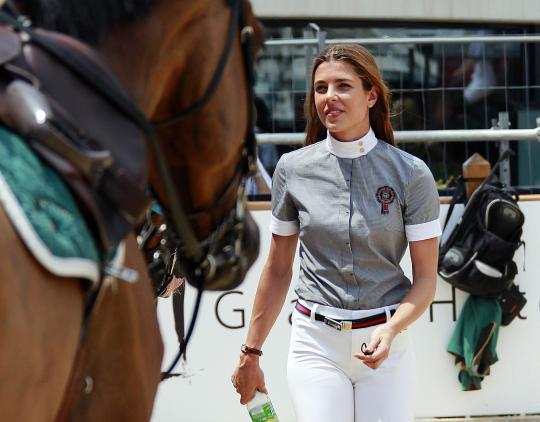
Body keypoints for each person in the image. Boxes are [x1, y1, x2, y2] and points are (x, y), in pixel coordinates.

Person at [231, 43, 441, 422]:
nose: (329, 97)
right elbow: (278, 269)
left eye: (343, 86)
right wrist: (251, 353)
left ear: (371, 94)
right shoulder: (291, 170)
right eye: (320, 88)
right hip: (315, 344)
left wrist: (392, 330)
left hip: (386, 345)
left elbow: (426, 281)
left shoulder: (411, 174)